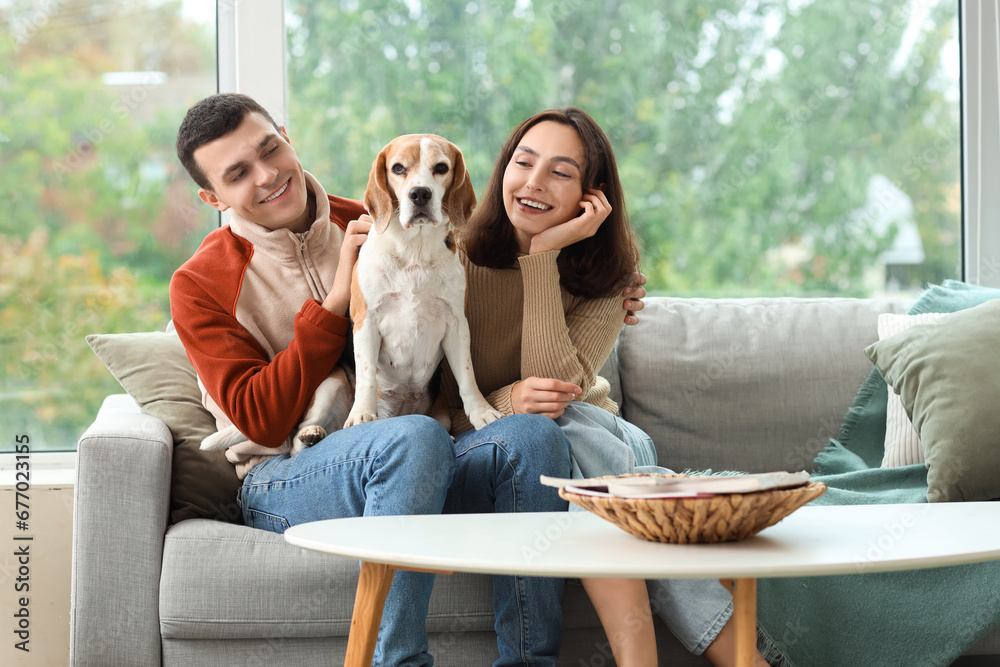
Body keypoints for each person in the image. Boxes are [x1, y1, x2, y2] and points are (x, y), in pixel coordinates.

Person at [168, 93, 588, 667]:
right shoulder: (200, 282)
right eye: (238, 174)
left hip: (417, 459)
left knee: (535, 438)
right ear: (213, 198)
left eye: (271, 149)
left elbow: (469, 288)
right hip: (286, 477)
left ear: (287, 136)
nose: (267, 176)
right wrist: (338, 301)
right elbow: (257, 416)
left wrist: (599, 284)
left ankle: (530, 662)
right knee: (414, 437)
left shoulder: (386, 211)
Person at [442, 108, 769, 667]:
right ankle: (718, 657)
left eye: (561, 173)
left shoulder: (607, 276)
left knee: (569, 430)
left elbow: (561, 384)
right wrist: (506, 403)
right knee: (558, 438)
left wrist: (543, 258)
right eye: (523, 162)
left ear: (590, 199)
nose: (534, 183)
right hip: (506, 448)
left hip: (597, 437)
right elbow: (433, 405)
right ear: (501, 171)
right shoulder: (452, 260)